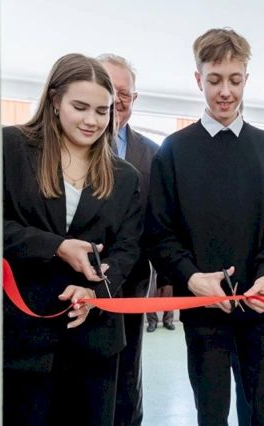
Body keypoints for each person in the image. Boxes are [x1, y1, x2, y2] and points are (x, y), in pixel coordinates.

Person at [145, 28, 264, 425]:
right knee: (211, 415)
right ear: (198, 79)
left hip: (263, 309)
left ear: (247, 79)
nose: (225, 91)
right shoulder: (173, 151)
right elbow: (160, 233)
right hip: (202, 313)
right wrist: (191, 277)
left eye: (234, 80)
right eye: (214, 80)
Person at [3, 53, 143, 425]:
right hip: (21, 337)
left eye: (102, 111)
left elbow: (128, 249)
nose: (92, 121)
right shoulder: (9, 148)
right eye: (80, 107)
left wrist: (96, 292)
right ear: (54, 100)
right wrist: (57, 247)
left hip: (94, 344)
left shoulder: (125, 176)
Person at [96, 53, 163, 426]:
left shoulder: (152, 154)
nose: (116, 100)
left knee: (127, 375)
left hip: (131, 284)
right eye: (109, 89)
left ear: (134, 99)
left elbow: (159, 222)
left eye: (124, 93)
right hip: (75, 280)